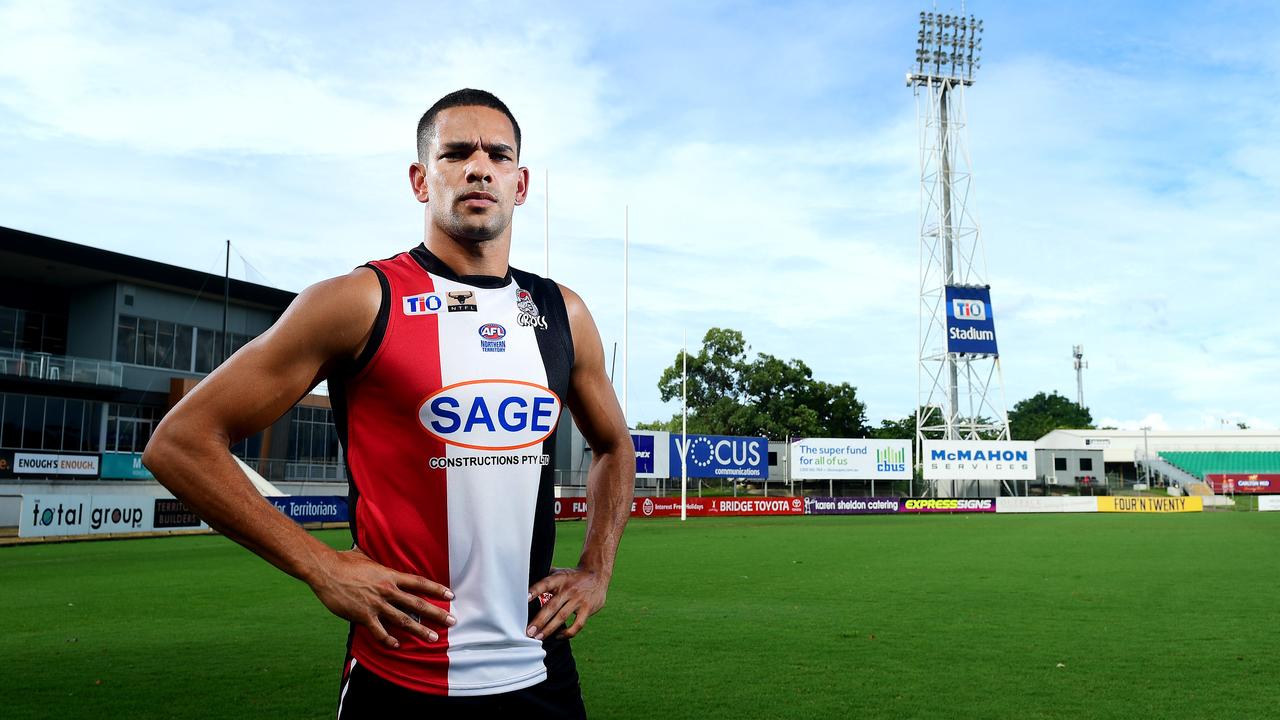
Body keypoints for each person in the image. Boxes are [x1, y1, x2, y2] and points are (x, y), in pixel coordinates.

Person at [143, 88, 635, 718]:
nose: (479, 167)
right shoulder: (357, 301)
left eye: (498, 155)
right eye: (456, 153)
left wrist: (596, 568)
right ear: (419, 179)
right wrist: (321, 566)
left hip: (539, 674)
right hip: (399, 679)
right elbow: (179, 442)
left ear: (521, 182)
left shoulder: (561, 314)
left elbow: (614, 445)